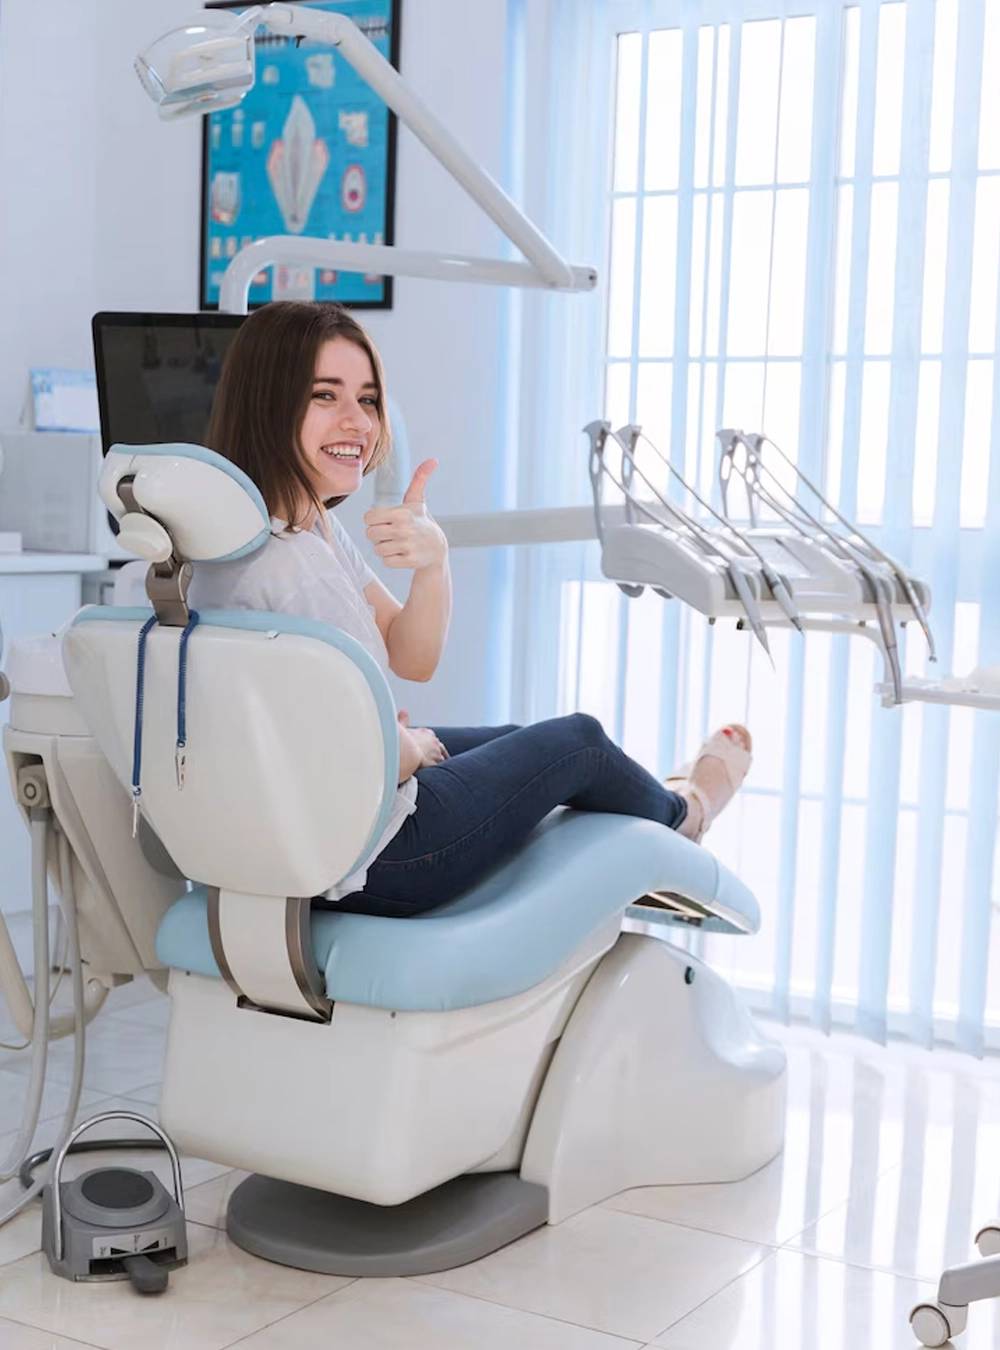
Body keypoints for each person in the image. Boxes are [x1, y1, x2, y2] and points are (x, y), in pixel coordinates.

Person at [189, 301, 752, 917]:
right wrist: (409, 748)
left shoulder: (275, 534)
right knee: (579, 742)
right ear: (268, 403)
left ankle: (641, 828)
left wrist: (433, 562)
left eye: (368, 399)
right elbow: (365, 758)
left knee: (515, 741)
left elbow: (411, 654)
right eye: (325, 395)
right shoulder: (297, 569)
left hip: (298, 831)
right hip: (381, 855)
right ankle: (686, 816)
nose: (359, 421)